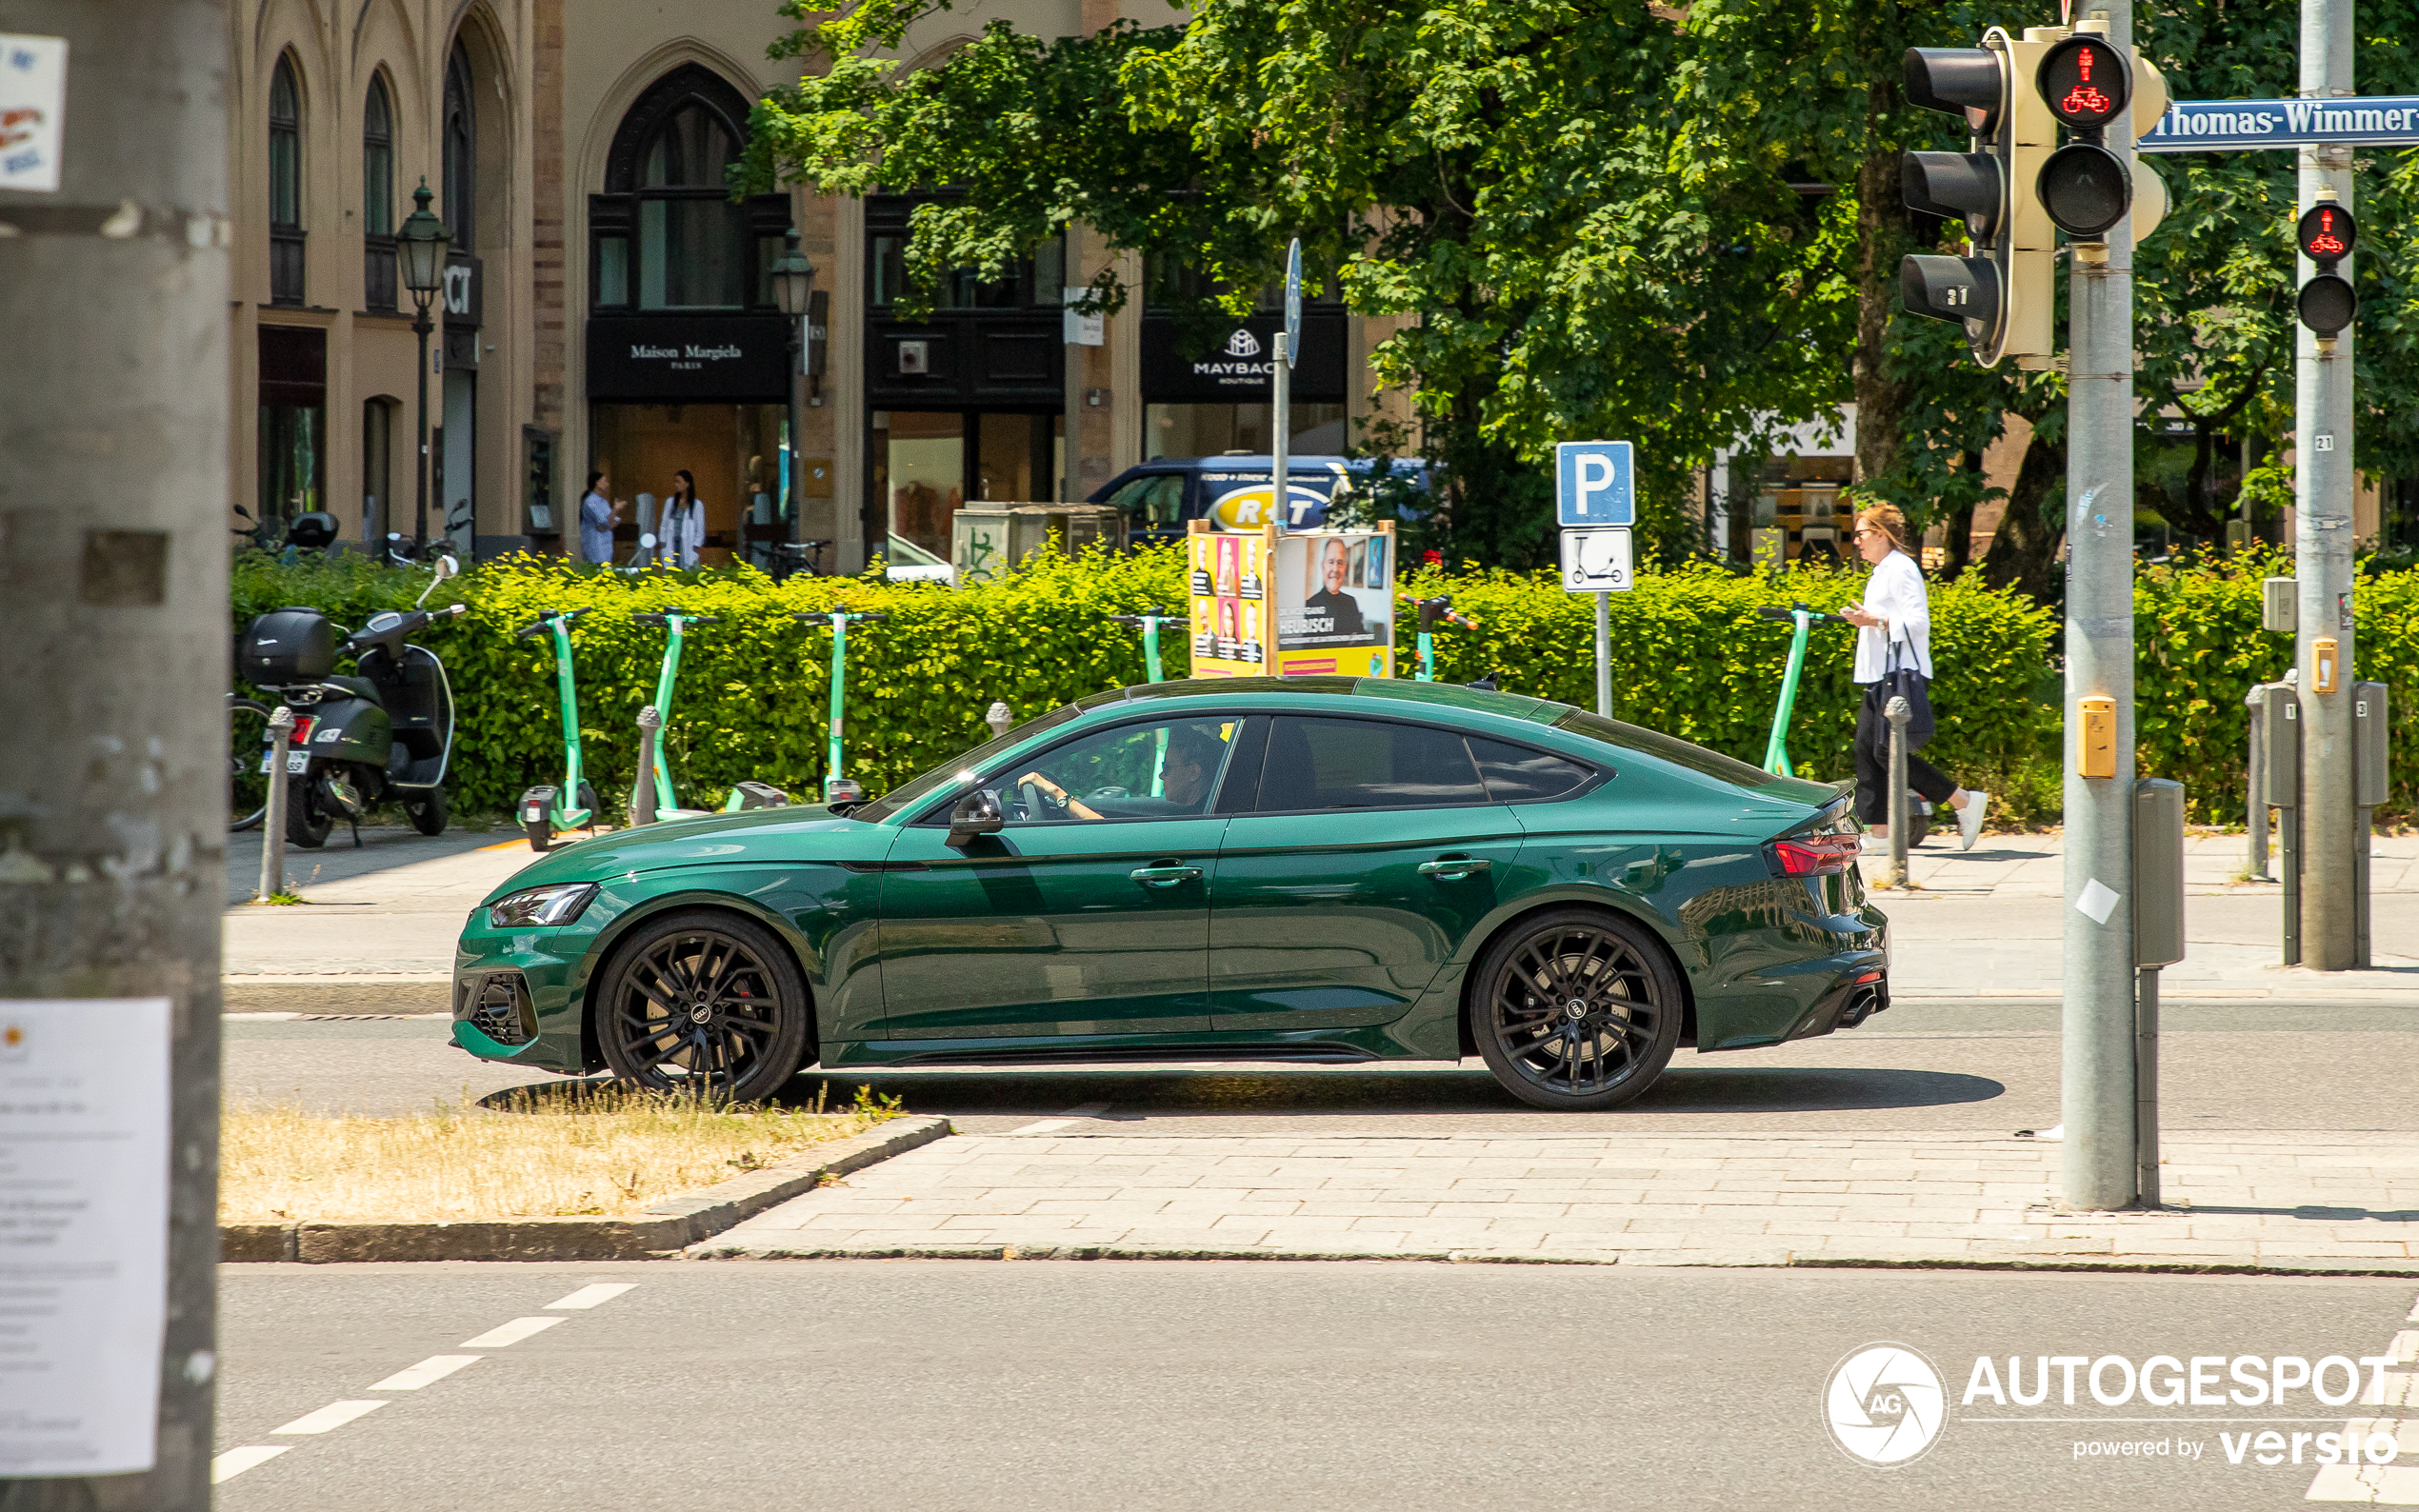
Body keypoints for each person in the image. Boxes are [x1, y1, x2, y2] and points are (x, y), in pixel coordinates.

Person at [1837, 503, 1988, 850]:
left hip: (1897, 674)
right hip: (1880, 673)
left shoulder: (1901, 569)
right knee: (1868, 749)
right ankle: (1881, 832)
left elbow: (1919, 622)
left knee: (1886, 752)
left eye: (1861, 534)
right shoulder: (1882, 571)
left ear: (1880, 534)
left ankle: (1962, 801)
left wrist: (1873, 620)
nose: (1856, 541)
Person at [1015, 726, 1226, 821]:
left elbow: (1104, 832)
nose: (1161, 776)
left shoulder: (1195, 821)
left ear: (1193, 772)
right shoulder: (1196, 812)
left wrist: (1055, 793)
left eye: (1167, 768)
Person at [1303, 536, 1366, 637]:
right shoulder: (1311, 604)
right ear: (1323, 566)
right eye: (1331, 562)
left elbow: (1361, 637)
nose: (1335, 569)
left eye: (1340, 563)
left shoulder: (1351, 602)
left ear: (1345, 567)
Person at [659, 469, 708, 569]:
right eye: (675, 482)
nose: (676, 484)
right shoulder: (670, 502)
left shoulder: (697, 505)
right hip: (672, 543)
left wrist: (696, 546)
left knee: (688, 569)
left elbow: (700, 528)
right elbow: (664, 524)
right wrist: (663, 542)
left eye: (679, 481)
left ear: (687, 484)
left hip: (688, 545)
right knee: (672, 570)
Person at [578, 471, 626, 566]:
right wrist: (615, 509)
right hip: (595, 549)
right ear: (597, 483)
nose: (607, 484)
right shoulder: (590, 502)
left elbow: (612, 523)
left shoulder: (604, 502)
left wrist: (615, 512)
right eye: (605, 481)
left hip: (606, 549)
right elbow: (603, 522)